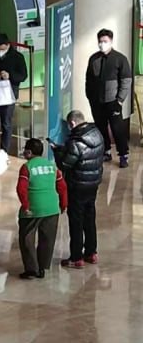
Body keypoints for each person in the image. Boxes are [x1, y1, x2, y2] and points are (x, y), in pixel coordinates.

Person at [53, 109, 105, 268]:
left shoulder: (76, 142)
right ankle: (91, 252)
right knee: (90, 218)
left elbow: (64, 164)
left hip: (77, 187)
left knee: (76, 222)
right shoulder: (97, 134)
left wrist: (57, 152)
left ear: (73, 123)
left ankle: (76, 257)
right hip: (93, 184)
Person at [16, 138, 68, 280]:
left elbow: (21, 189)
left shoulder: (27, 167)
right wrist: (63, 205)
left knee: (27, 238)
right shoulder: (52, 167)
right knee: (47, 239)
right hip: (52, 208)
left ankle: (31, 269)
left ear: (29, 152)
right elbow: (62, 187)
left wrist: (25, 206)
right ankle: (42, 268)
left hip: (33, 209)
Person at [85, 28, 132, 168]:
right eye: (100, 41)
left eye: (105, 41)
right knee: (101, 128)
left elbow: (126, 80)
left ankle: (123, 155)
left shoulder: (120, 59)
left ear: (111, 41)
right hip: (96, 101)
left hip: (113, 102)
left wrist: (120, 100)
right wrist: (89, 95)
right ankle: (106, 151)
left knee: (118, 129)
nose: (102, 44)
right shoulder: (94, 58)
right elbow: (88, 79)